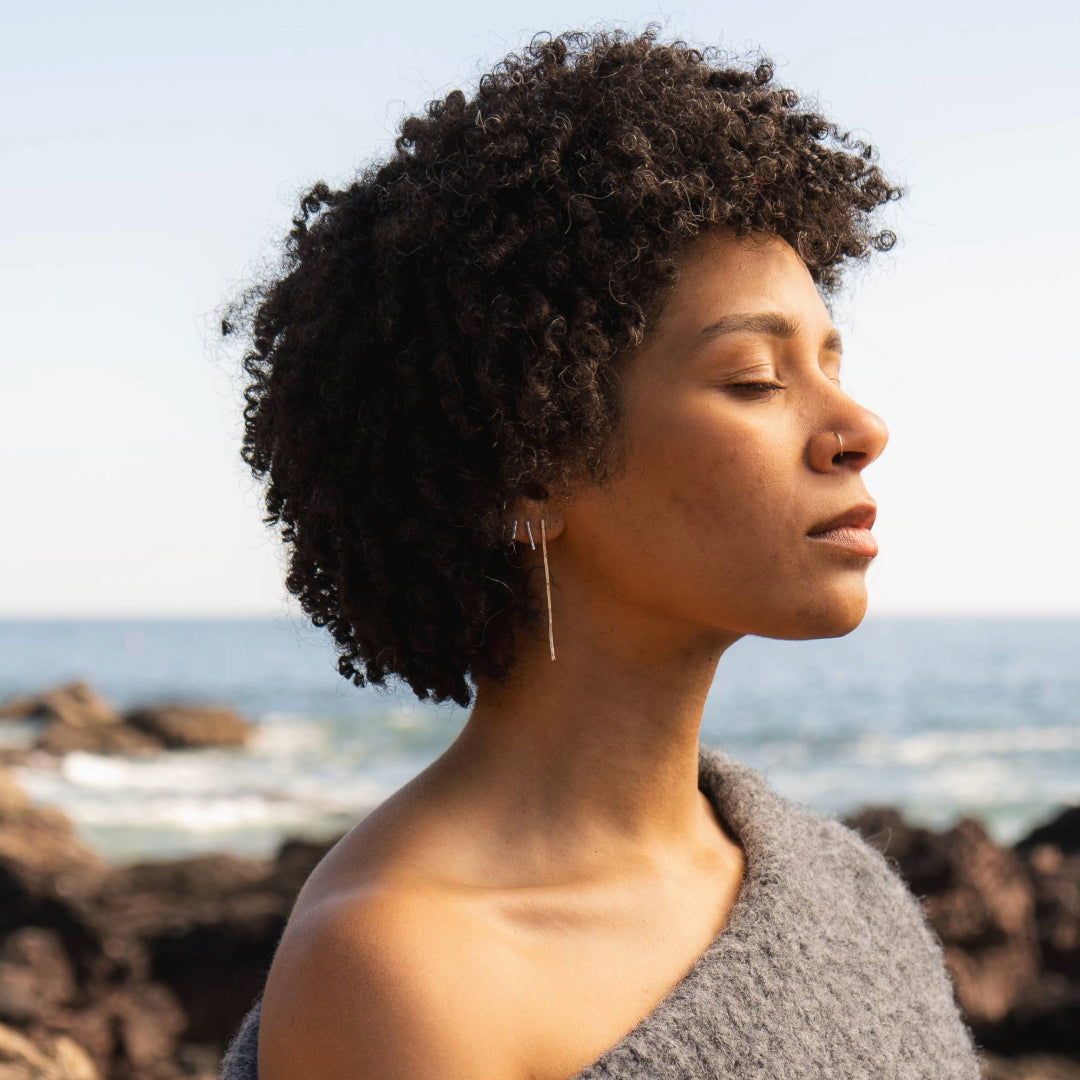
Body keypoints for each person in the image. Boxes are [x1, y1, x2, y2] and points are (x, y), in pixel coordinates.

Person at [218, 26, 983, 1080]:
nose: (859, 426)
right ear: (530, 468)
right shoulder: (404, 969)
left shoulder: (845, 888)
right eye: (758, 378)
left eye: (833, 360)